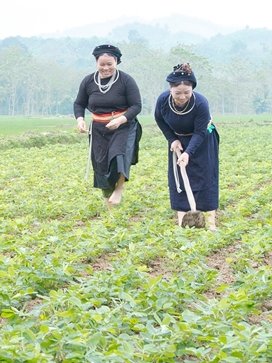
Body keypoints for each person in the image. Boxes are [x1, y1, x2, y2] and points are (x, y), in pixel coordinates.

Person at [74, 44, 142, 208]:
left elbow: (136, 106)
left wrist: (120, 120)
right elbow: (79, 103)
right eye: (102, 64)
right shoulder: (89, 81)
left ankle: (119, 187)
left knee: (118, 155)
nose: (106, 68)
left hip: (122, 126)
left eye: (109, 64)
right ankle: (110, 211)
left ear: (116, 62)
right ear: (96, 63)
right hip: (98, 128)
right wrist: (80, 120)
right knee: (101, 165)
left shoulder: (126, 80)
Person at [153, 63, 219, 229]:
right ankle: (182, 223)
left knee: (206, 175)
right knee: (179, 177)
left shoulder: (200, 103)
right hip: (178, 140)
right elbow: (160, 120)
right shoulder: (163, 100)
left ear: (192, 90)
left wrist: (188, 153)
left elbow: (200, 132)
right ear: (170, 90)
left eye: (186, 93)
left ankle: (211, 224)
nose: (182, 97)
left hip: (203, 140)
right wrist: (172, 139)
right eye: (178, 93)